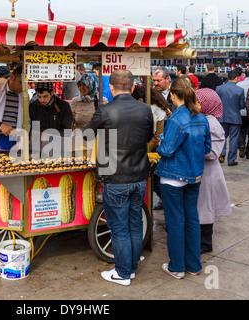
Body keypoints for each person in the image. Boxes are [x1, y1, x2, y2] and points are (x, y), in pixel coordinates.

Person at [85, 69, 153, 286]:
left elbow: (87, 134)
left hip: (115, 178)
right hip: (139, 177)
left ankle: (123, 273)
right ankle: (131, 268)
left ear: (111, 88)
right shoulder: (145, 110)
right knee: (134, 224)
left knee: (119, 228)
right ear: (132, 88)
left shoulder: (105, 110)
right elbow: (149, 136)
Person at [155, 77, 211, 279]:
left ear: (172, 95)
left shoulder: (177, 120)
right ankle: (194, 265)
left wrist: (161, 140)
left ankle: (177, 267)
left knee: (176, 221)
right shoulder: (202, 118)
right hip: (194, 175)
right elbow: (207, 148)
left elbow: (165, 150)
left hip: (172, 178)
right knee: (192, 220)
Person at [195, 88, 232, 254]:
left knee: (205, 209)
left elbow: (213, 152)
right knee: (201, 208)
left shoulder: (211, 123)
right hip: (202, 171)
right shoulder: (203, 119)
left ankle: (205, 244)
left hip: (208, 173)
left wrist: (192, 148)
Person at [132, 84, 171, 211]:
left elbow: (158, 136)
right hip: (150, 150)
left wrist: (143, 148)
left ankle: (167, 203)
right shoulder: (149, 108)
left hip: (157, 151)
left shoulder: (156, 110)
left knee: (156, 181)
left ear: (140, 100)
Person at [216, 70, 245, 166]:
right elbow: (242, 105)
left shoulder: (219, 88)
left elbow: (216, 103)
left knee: (222, 137)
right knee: (234, 139)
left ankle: (222, 153)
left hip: (222, 117)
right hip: (235, 117)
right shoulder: (240, 90)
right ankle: (231, 160)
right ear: (236, 78)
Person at [237, 65, 249, 160]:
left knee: (241, 130)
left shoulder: (239, 85)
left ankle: (241, 145)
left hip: (241, 112)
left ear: (245, 75)